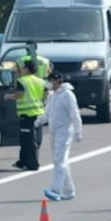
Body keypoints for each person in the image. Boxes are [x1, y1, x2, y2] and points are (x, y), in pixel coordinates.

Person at [34, 71, 83, 201]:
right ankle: (69, 190)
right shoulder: (52, 96)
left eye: (50, 80)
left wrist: (78, 130)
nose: (48, 83)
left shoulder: (67, 95)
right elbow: (48, 113)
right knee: (61, 161)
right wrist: (39, 120)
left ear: (57, 81)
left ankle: (55, 189)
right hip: (54, 131)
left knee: (59, 159)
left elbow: (74, 113)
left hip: (65, 130)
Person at [5, 60, 46, 170]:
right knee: (28, 139)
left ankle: (32, 164)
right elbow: (45, 95)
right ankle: (22, 162)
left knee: (29, 140)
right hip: (39, 113)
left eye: (23, 68)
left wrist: (9, 97)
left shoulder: (22, 81)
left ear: (27, 69)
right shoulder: (41, 81)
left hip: (27, 114)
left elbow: (19, 94)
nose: (21, 70)